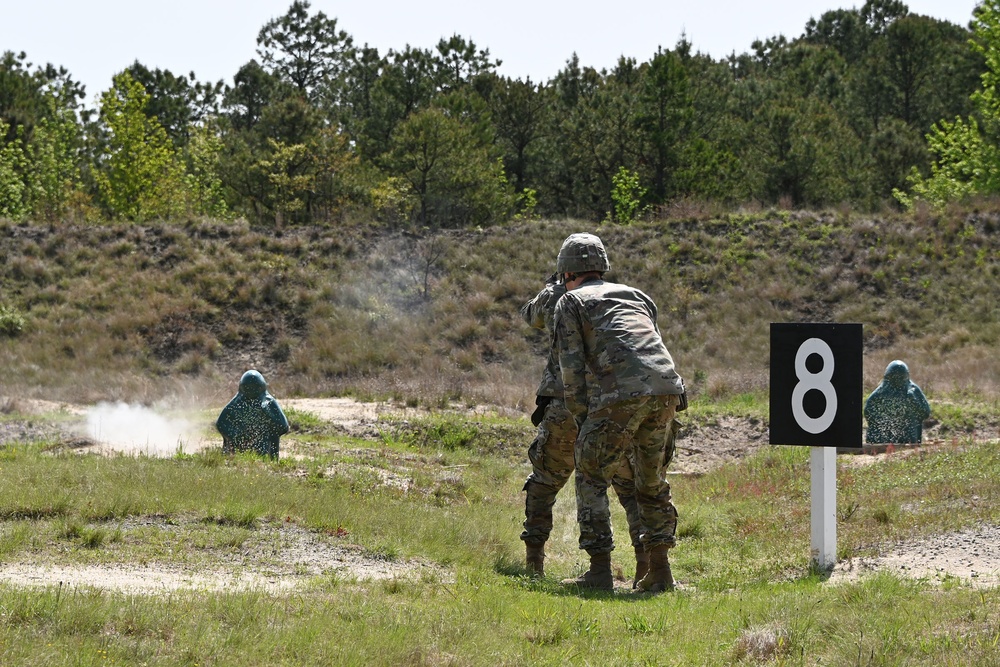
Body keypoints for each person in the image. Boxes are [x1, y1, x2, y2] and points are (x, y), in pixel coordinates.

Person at [552, 232, 686, 593]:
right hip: (667, 390)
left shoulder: (571, 302)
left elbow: (572, 370)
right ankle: (660, 571)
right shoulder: (638, 295)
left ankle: (599, 571)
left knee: (592, 474)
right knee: (651, 480)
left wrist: (583, 425)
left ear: (566, 272)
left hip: (622, 394)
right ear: (603, 267)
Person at [520, 273, 650, 585]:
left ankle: (534, 559)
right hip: (613, 402)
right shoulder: (616, 297)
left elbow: (530, 315)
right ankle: (645, 565)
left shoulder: (558, 296)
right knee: (629, 486)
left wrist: (551, 287)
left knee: (545, 481)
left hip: (565, 403)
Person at [216, 369, 289, 460]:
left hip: (265, 451)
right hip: (236, 451)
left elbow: (284, 427)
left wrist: (268, 414)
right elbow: (220, 424)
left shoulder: (268, 402)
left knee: (267, 439)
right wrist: (234, 435)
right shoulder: (237, 402)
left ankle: (268, 460)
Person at [864, 360, 931, 444]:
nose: (898, 381)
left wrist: (913, 402)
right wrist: (882, 417)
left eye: (901, 377)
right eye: (894, 377)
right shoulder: (879, 393)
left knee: (910, 423)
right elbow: (868, 412)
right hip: (882, 436)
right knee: (878, 428)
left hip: (908, 435)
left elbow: (926, 412)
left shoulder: (913, 391)